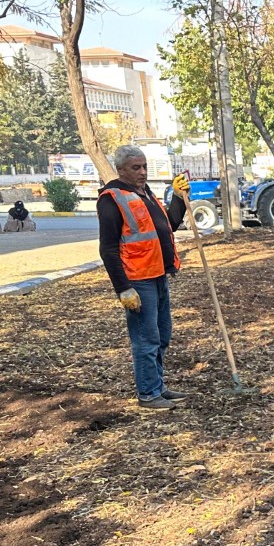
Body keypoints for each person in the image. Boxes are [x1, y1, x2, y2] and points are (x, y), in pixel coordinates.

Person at [97, 147, 189, 411]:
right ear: (121, 170)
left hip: (158, 274)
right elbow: (108, 249)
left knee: (162, 334)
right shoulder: (112, 198)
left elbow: (168, 224)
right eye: (136, 167)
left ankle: (157, 386)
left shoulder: (145, 193)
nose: (143, 172)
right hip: (138, 280)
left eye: (144, 166)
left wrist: (180, 198)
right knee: (146, 338)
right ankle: (148, 393)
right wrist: (123, 289)